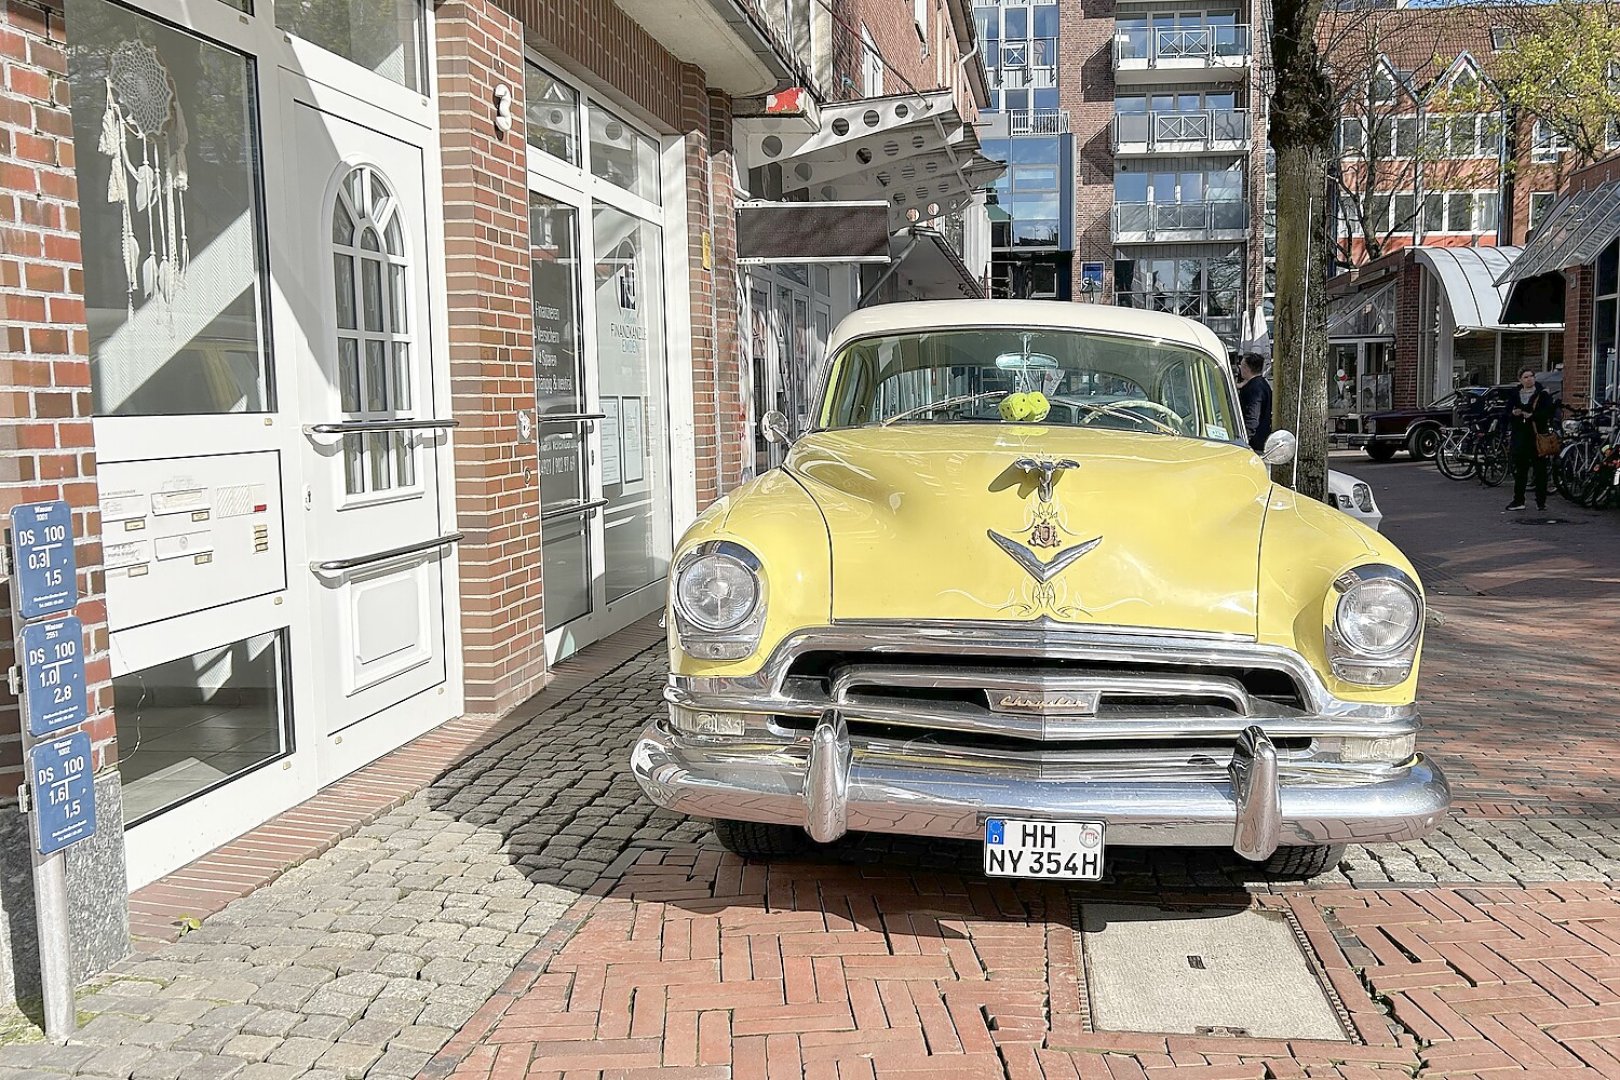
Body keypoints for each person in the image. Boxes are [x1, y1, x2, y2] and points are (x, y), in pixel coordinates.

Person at [1505, 367, 1556, 511]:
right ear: (1520, 380)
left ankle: (1541, 501)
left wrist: (1532, 416)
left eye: (1531, 376)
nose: (1529, 379)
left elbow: (1548, 413)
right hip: (1520, 436)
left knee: (1540, 470)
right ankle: (1518, 500)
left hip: (1537, 436)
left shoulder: (1543, 394)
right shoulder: (1515, 394)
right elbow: (1506, 412)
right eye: (1526, 377)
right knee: (1520, 470)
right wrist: (1513, 413)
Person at [1237, 353, 1272, 453]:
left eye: (1241, 365)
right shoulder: (1263, 384)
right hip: (1261, 438)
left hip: (1253, 443)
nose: (1239, 368)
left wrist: (1245, 440)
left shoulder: (1254, 389)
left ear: (1246, 368)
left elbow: (1252, 417)